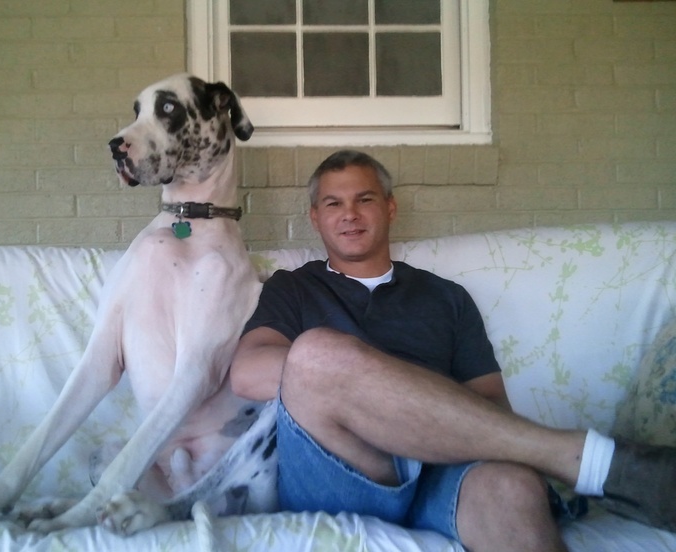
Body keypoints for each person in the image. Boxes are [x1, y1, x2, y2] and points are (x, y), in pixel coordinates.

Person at [229, 150, 675, 552]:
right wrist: (366, 385)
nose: (350, 214)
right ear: (314, 217)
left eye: (364, 199)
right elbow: (248, 372)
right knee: (315, 354)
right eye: (333, 203)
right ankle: (581, 458)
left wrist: (419, 413)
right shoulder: (294, 286)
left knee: (512, 488)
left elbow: (491, 402)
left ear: (389, 207)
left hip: (441, 468)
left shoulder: (445, 296)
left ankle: (578, 462)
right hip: (336, 469)